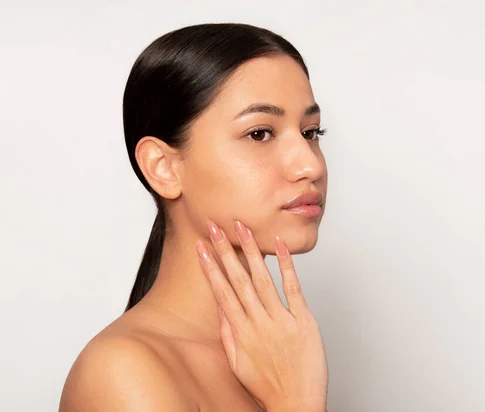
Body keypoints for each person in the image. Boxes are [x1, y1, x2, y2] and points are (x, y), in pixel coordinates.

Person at [59, 23, 329, 411]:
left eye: (311, 132)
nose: (309, 165)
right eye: (259, 134)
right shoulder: (123, 373)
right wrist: (299, 402)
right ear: (163, 167)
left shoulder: (280, 353)